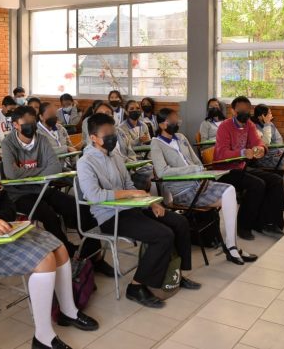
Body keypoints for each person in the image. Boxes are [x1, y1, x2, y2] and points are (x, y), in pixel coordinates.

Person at [0, 126, 99, 349]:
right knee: (44, 260)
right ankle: (43, 337)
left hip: (2, 233)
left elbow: (6, 203)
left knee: (59, 248)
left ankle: (68, 311)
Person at [78, 114, 201, 309]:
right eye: (107, 134)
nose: (112, 137)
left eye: (113, 133)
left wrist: (150, 202)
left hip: (131, 208)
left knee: (179, 222)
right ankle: (136, 287)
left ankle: (176, 273)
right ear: (93, 137)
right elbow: (94, 195)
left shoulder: (116, 156)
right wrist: (128, 194)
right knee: (163, 236)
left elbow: (129, 183)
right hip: (110, 216)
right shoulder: (85, 162)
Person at [149, 109, 255, 264]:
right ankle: (230, 247)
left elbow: (196, 161)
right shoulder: (156, 143)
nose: (176, 122)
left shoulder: (181, 137)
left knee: (230, 190)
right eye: (171, 120)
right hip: (183, 192)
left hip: (200, 183)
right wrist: (193, 169)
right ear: (162, 124)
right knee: (229, 194)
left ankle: (230, 245)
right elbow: (162, 172)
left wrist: (205, 171)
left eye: (176, 118)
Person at [1, 106, 94, 258]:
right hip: (19, 194)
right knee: (49, 214)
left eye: (33, 122)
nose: (30, 125)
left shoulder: (41, 139)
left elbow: (55, 167)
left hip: (42, 188)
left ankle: (90, 252)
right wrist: (42, 169)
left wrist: (27, 174)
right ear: (16, 125)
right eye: (26, 122)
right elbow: (12, 175)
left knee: (77, 206)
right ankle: (67, 251)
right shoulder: (8, 143)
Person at [214, 97, 284, 240]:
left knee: (276, 180)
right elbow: (222, 153)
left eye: (248, 110)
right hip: (224, 170)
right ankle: (244, 226)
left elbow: (259, 142)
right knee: (257, 185)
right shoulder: (225, 126)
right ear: (233, 111)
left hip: (242, 167)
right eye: (241, 110)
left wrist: (260, 149)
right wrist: (242, 152)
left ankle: (269, 223)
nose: (245, 113)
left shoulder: (249, 125)